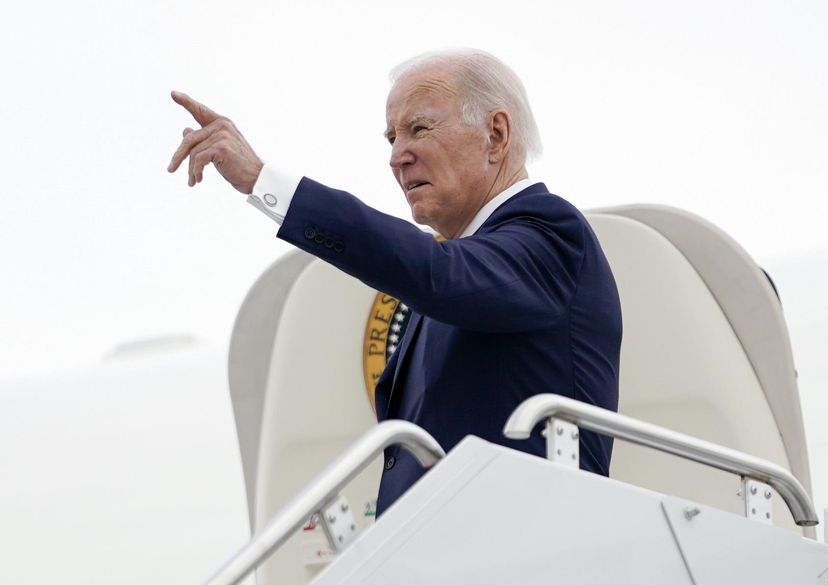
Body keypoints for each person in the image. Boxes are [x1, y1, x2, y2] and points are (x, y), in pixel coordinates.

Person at [168, 49, 622, 516]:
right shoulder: (469, 264)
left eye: (419, 129)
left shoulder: (550, 234)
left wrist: (265, 183)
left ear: (496, 134)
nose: (396, 157)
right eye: (390, 137)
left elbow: (436, 274)